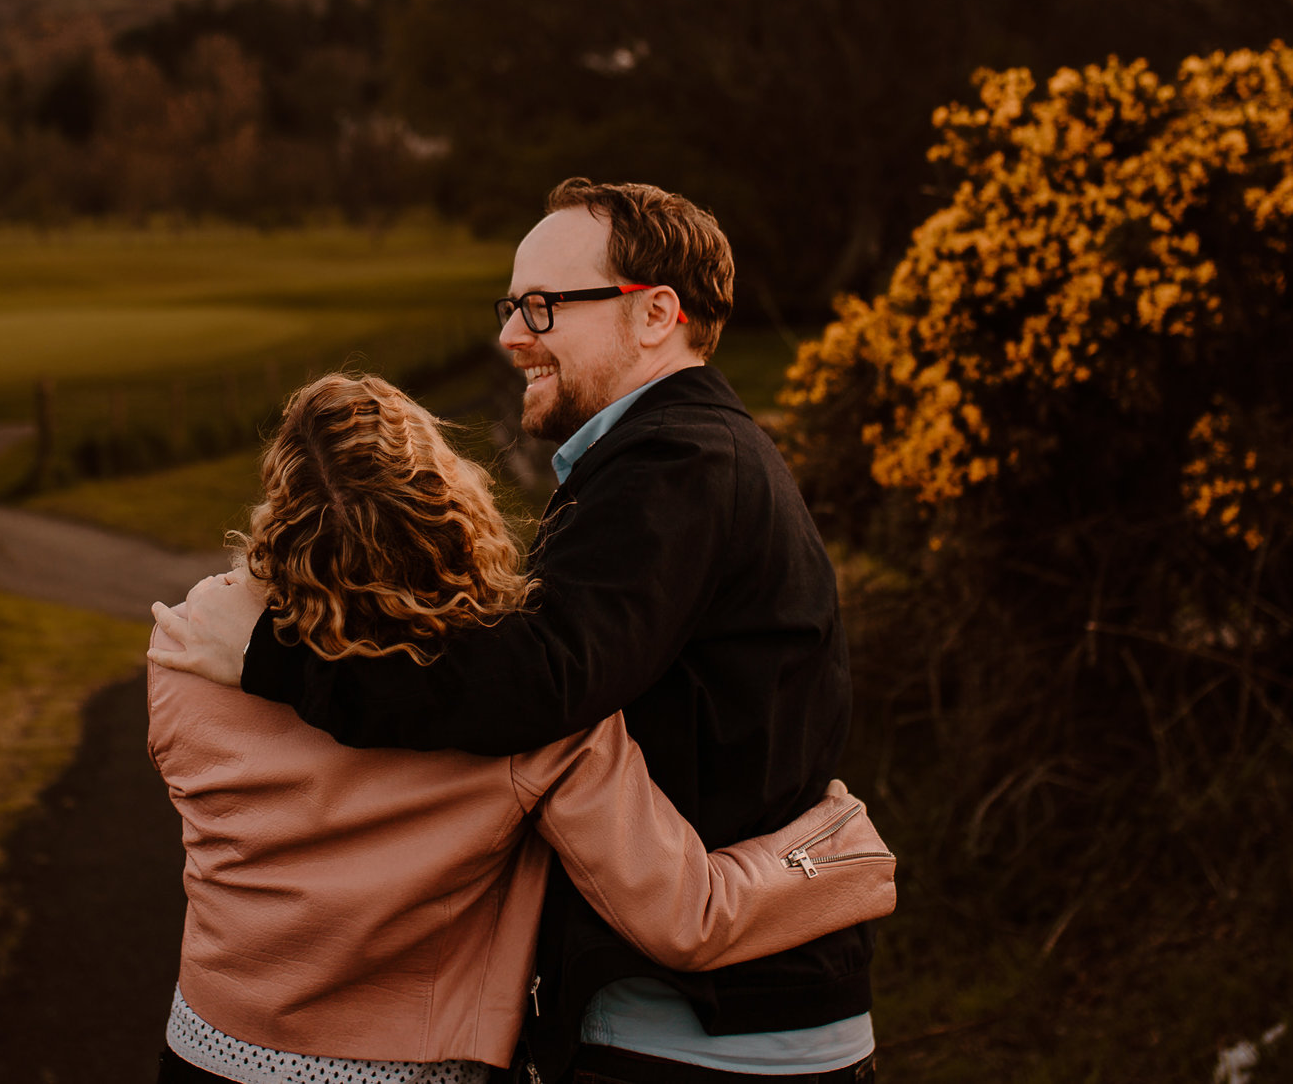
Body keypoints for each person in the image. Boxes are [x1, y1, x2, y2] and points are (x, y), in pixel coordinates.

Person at [152, 180, 873, 1084]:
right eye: (510, 305)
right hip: (704, 1014)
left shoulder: (675, 465)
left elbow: (535, 683)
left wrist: (273, 655)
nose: (509, 334)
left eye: (542, 305)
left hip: (704, 1034)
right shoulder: (671, 458)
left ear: (655, 314)